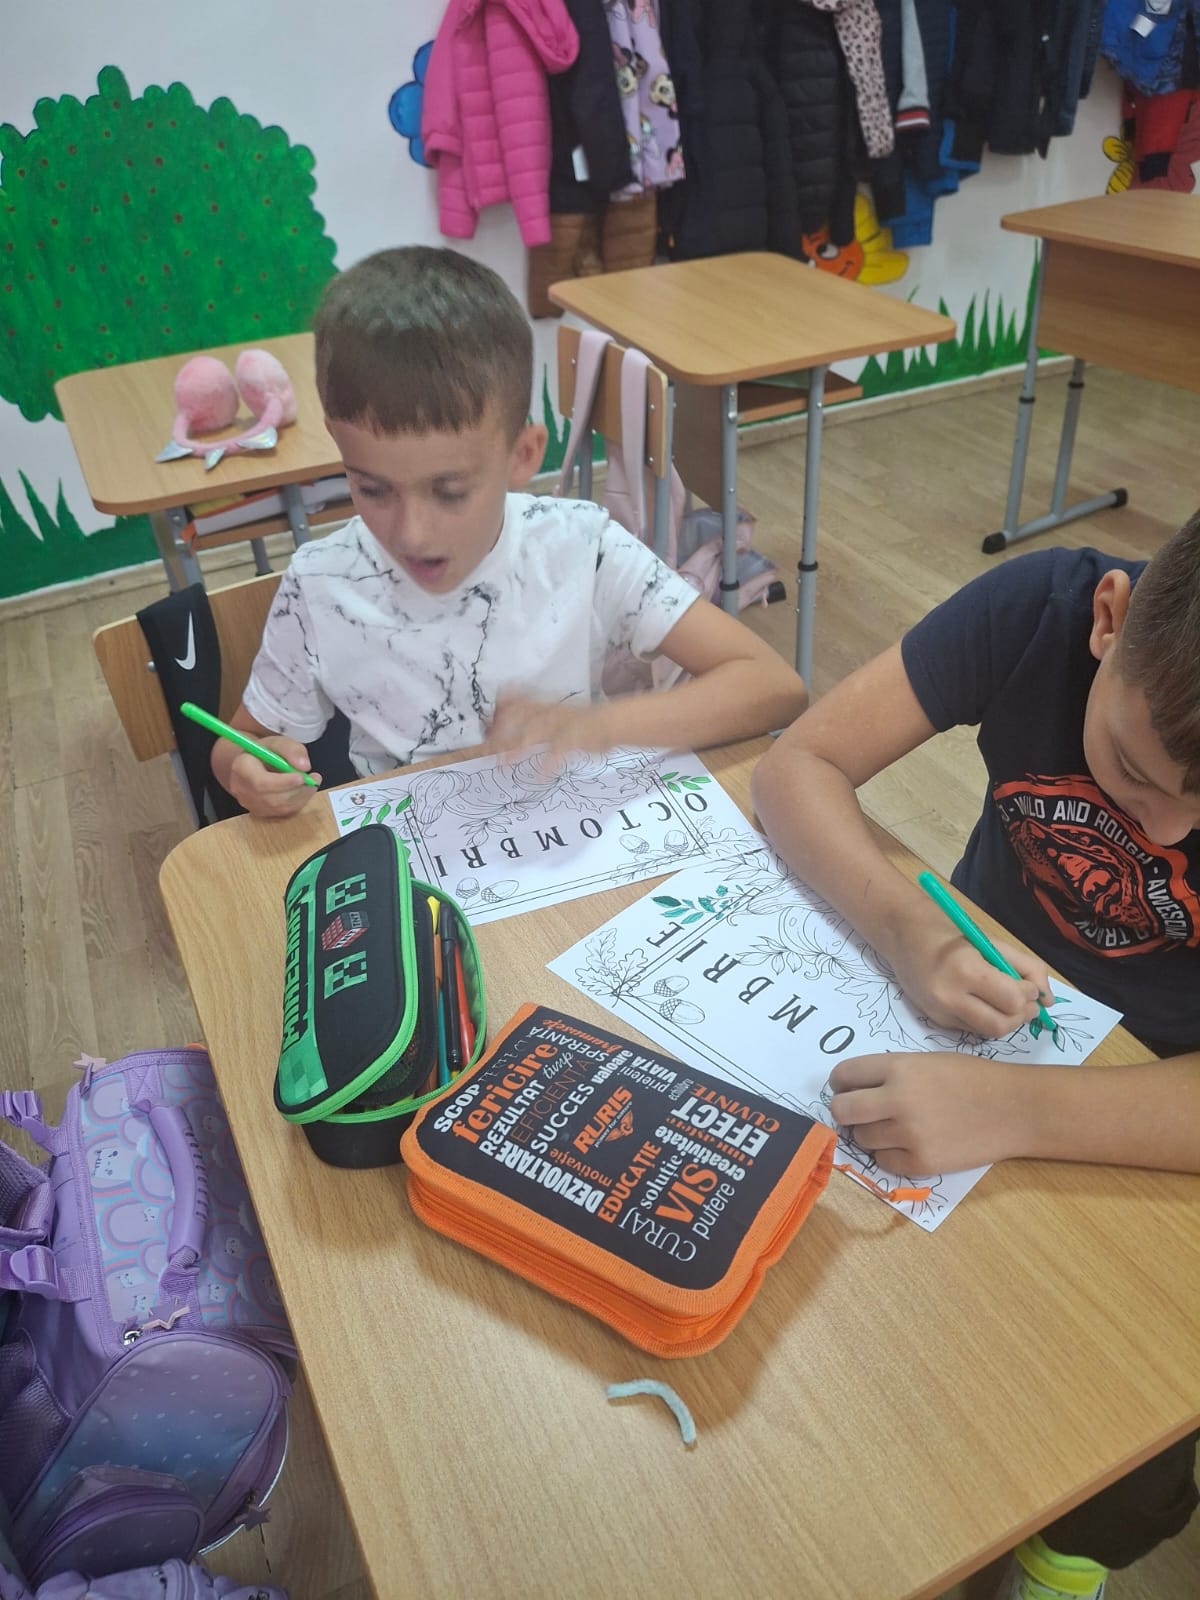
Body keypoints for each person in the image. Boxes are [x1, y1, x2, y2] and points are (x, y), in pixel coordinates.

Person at [751, 516, 1200, 1600]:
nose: (1168, 831)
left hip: (1156, 1110)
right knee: (867, 1337)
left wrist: (1017, 1110)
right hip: (963, 1009)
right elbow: (800, 763)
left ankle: (1060, 1562)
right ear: (1110, 621)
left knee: (1135, 1420)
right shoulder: (1041, 608)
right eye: (1135, 770)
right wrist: (909, 927)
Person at [211, 246, 805, 816]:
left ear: (523, 454)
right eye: (372, 489)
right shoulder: (320, 584)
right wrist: (246, 768)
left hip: (571, 837)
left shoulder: (583, 548)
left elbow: (774, 686)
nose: (412, 534)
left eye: (450, 492)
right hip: (415, 859)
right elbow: (241, 741)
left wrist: (597, 726)